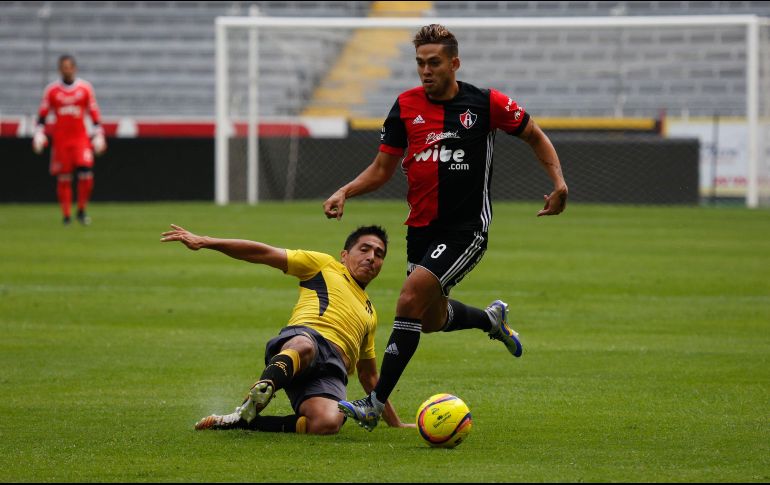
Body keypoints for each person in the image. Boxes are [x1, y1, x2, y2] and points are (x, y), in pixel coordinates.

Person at [323, 24, 568, 431]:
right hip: (420, 230)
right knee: (429, 318)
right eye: (420, 63)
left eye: (434, 62)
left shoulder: (486, 104)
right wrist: (346, 190)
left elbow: (534, 135)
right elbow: (382, 170)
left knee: (406, 301)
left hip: (465, 230)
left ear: (454, 63)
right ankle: (492, 321)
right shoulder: (405, 105)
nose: (425, 70)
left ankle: (373, 403)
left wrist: (559, 183)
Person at [160, 224, 413, 435]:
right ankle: (255, 398)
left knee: (327, 423)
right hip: (307, 340)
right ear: (344, 255)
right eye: (365, 249)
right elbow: (262, 253)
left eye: (379, 254)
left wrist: (395, 422)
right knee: (303, 346)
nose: (371, 257)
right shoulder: (325, 266)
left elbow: (369, 377)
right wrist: (206, 241)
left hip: (332, 372)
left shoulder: (371, 313)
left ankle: (246, 422)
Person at [33, 54, 106, 225]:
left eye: (69, 66)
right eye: (63, 67)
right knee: (64, 178)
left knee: (86, 174)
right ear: (60, 69)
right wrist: (39, 132)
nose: (66, 69)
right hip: (61, 140)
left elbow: (93, 111)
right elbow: (43, 113)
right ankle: (66, 216)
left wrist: (98, 133)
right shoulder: (52, 90)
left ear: (74, 68)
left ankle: (81, 210)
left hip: (80, 138)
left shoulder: (85, 88)